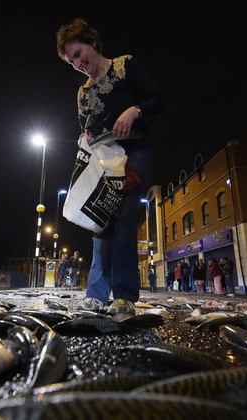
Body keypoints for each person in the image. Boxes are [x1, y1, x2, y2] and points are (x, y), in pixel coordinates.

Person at [57, 19, 166, 316]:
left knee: (125, 215)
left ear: (92, 42)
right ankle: (95, 295)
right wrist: (86, 136)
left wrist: (135, 110)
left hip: (135, 152)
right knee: (101, 221)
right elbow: (88, 128)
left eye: (79, 53)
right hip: (105, 160)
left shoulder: (126, 67)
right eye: (71, 61)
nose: (78, 63)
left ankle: (125, 296)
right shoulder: (83, 94)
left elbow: (159, 100)